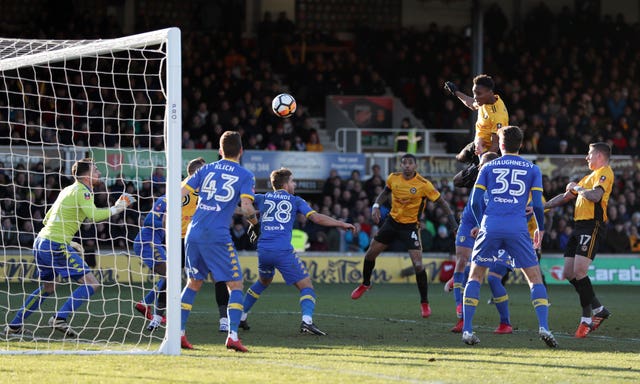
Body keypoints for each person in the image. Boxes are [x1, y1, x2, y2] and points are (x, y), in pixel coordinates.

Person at [3, 158, 135, 338]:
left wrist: (68, 239)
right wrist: (117, 208)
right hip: (56, 244)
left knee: (48, 287)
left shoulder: (67, 190)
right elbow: (93, 215)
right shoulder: (84, 192)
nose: (99, 174)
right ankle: (59, 318)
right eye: (96, 170)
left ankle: (14, 325)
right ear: (86, 175)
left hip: (41, 241)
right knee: (92, 283)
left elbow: (47, 218)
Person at [461, 126, 557, 348]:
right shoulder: (532, 169)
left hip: (490, 226)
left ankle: (467, 330)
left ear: (501, 145)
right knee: (534, 279)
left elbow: (475, 201)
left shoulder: (488, 166)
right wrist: (540, 229)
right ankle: (543, 326)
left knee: (475, 277)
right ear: (521, 145)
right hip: (517, 228)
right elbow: (537, 205)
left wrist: (478, 222)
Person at [240, 168, 355, 335]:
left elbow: (245, 206)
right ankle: (307, 322)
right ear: (286, 184)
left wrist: (253, 222)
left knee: (263, 281)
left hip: (263, 249)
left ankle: (241, 316)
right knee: (306, 286)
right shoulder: (296, 200)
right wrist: (340, 223)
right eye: (292, 181)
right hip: (282, 250)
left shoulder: (262, 198)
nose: (294, 185)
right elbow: (316, 218)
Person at [351, 153, 458, 317]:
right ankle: (365, 284)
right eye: (404, 163)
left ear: (415, 166)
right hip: (391, 222)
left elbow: (442, 203)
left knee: (418, 265)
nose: (407, 165)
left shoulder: (424, 184)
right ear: (401, 166)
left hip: (410, 227)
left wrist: (453, 224)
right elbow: (385, 193)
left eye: (410, 163)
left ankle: (424, 303)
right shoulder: (393, 178)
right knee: (370, 253)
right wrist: (375, 206)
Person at [180, 131, 258, 352]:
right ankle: (232, 335)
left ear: (220, 151)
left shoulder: (205, 169)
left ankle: (178, 333)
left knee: (193, 283)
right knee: (235, 285)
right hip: (217, 235)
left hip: (193, 232)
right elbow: (247, 207)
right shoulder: (245, 175)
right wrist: (254, 223)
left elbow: (180, 192)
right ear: (241, 151)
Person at [134, 158, 232, 333]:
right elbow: (164, 217)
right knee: (176, 277)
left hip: (194, 239)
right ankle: (157, 317)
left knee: (215, 276)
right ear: (196, 172)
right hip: (186, 239)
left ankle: (223, 319)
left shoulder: (194, 190)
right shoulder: (188, 190)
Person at [544, 142, 613, 338]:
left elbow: (596, 196)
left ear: (600, 156)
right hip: (578, 226)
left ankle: (586, 319)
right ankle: (599, 309)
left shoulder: (605, 172)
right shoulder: (588, 177)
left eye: (589, 154)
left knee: (580, 271)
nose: (587, 157)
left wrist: (578, 188)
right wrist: (542, 207)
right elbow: (565, 197)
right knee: (568, 272)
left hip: (592, 225)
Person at [450, 150, 515, 335]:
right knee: (462, 263)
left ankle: (506, 323)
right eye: (481, 167)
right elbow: (456, 181)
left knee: (494, 277)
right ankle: (461, 316)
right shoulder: (477, 175)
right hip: (470, 223)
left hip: (497, 228)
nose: (484, 170)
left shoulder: (504, 184)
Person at [444, 74, 508, 155]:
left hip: (487, 151)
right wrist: (456, 92)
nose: (475, 97)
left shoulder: (498, 115)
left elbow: (495, 146)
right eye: (474, 93)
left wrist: (484, 161)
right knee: (461, 157)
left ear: (490, 93)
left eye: (478, 93)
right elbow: (471, 103)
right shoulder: (485, 101)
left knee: (468, 164)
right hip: (479, 143)